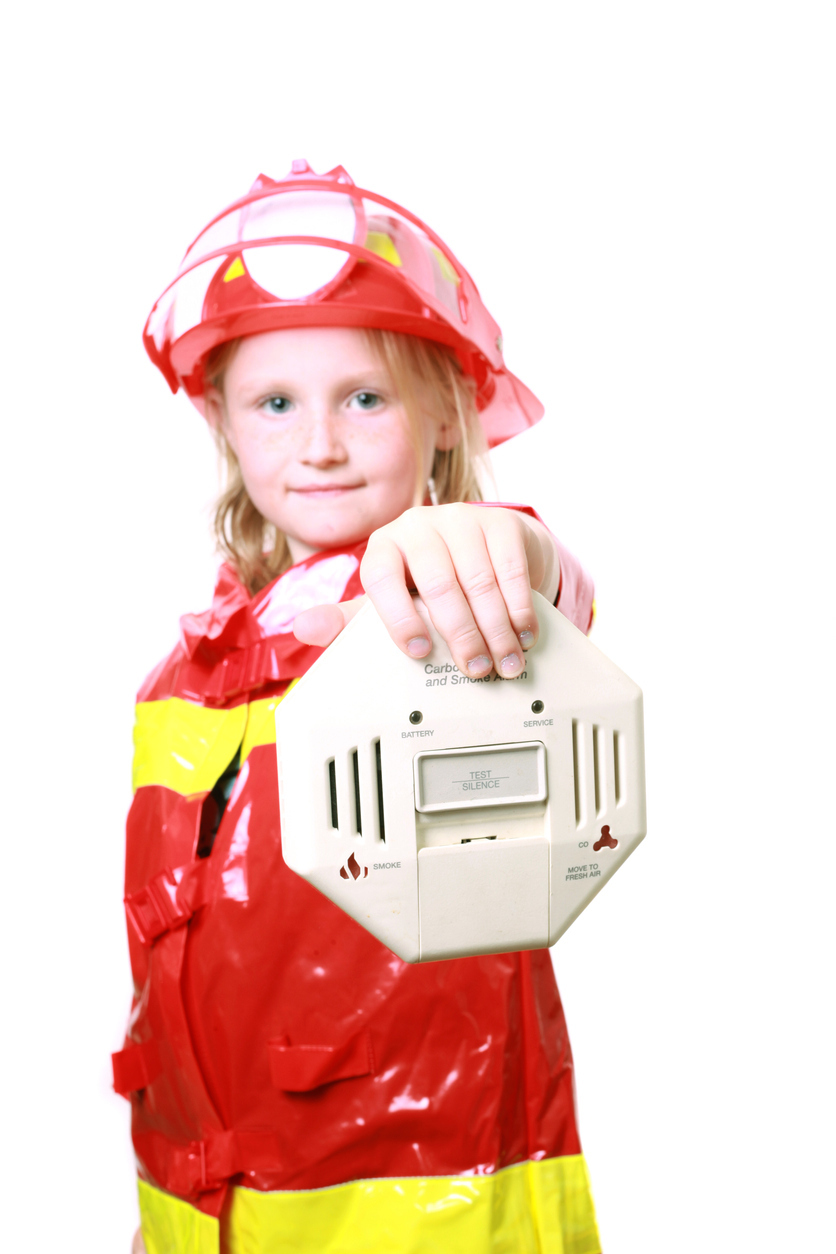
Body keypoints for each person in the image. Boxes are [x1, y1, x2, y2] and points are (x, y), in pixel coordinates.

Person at [117, 160, 600, 1254]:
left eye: (364, 398)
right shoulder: (189, 669)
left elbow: (530, 593)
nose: (319, 442)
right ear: (224, 422)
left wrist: (489, 541)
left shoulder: (429, 608)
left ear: (441, 415)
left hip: (436, 1208)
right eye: (275, 402)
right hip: (208, 1214)